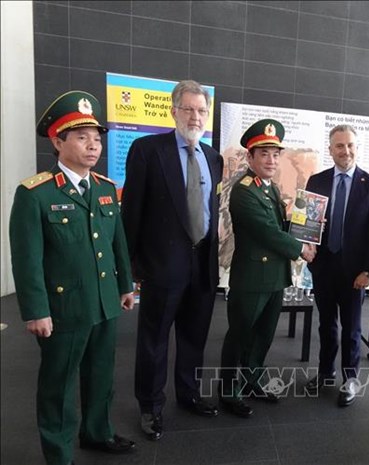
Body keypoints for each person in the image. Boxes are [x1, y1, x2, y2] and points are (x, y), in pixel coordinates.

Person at [9, 90, 136, 465]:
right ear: (58, 141)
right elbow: (27, 259)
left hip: (104, 301)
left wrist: (125, 286)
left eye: (97, 139)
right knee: (59, 386)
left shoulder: (105, 189)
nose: (93, 146)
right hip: (63, 308)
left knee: (101, 376)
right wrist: (35, 310)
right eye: (82, 137)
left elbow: (118, 245)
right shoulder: (35, 194)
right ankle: (59, 453)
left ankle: (97, 433)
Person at [121, 80, 223, 441]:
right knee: (154, 340)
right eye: (189, 109)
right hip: (162, 266)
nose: (195, 116)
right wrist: (129, 269)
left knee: (195, 337)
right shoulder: (148, 150)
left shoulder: (213, 157)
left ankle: (189, 394)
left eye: (201, 110)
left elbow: (209, 211)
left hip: (203, 265)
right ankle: (150, 406)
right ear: (173, 111)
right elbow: (131, 212)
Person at [219, 119, 316, 417]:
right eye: (264, 154)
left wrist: (308, 227)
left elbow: (280, 226)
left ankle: (252, 381)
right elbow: (267, 232)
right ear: (250, 157)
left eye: (275, 154)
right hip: (251, 278)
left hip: (274, 276)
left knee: (263, 336)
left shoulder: (269, 188)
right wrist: (301, 247)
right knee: (240, 335)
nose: (271, 160)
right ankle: (228, 391)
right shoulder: (244, 191)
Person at [304, 124, 369, 407]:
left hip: (355, 274)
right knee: (326, 325)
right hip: (324, 267)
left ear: (357, 147)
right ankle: (325, 373)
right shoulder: (316, 181)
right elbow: (306, 225)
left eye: (350, 145)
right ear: (331, 150)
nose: (346, 151)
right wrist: (306, 245)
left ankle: (350, 379)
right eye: (340, 146)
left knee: (352, 328)